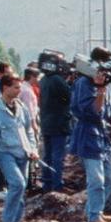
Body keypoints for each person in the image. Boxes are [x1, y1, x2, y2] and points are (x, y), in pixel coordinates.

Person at [70, 48, 111, 222]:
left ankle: (94, 211)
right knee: (96, 178)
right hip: (88, 134)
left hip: (101, 136)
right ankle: (93, 218)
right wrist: (99, 90)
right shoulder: (84, 84)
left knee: (110, 178)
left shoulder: (105, 86)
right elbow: (92, 111)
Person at [0, 74, 38, 222]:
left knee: (21, 187)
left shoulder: (21, 107)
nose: (20, 90)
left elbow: (29, 131)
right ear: (5, 88)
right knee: (18, 184)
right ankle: (6, 221)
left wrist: (33, 149)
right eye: (16, 87)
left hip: (23, 153)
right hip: (5, 153)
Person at [38, 52, 71, 193]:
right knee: (58, 156)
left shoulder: (44, 79)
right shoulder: (57, 79)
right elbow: (68, 98)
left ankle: (47, 184)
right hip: (58, 123)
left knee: (48, 155)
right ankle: (57, 185)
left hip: (46, 123)